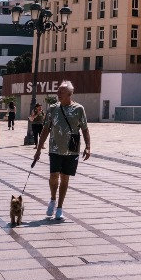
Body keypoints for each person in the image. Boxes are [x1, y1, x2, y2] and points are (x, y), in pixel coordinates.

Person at [34, 82, 91, 222]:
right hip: (55, 148)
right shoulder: (52, 108)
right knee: (54, 175)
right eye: (58, 91)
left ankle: (59, 207)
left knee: (65, 178)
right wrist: (39, 149)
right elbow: (45, 129)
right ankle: (53, 199)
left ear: (70, 94)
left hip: (72, 149)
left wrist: (88, 147)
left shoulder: (79, 109)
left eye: (61, 91)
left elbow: (84, 128)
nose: (58, 93)